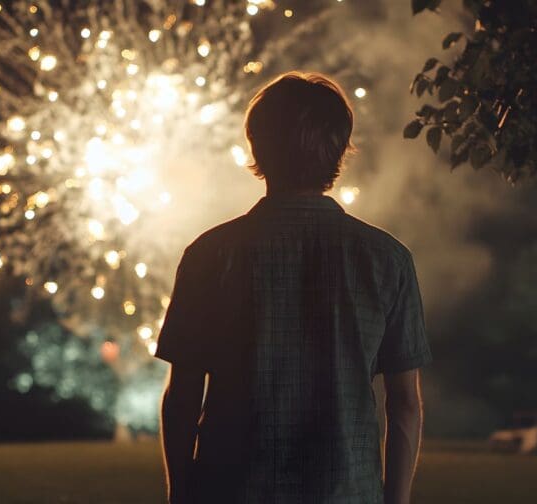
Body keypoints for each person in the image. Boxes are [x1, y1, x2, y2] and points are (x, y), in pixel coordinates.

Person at [155, 71, 432, 504]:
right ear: (339, 149)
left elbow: (183, 398)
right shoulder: (388, 259)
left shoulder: (211, 254)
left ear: (257, 146)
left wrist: (180, 495)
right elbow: (405, 406)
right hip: (346, 490)